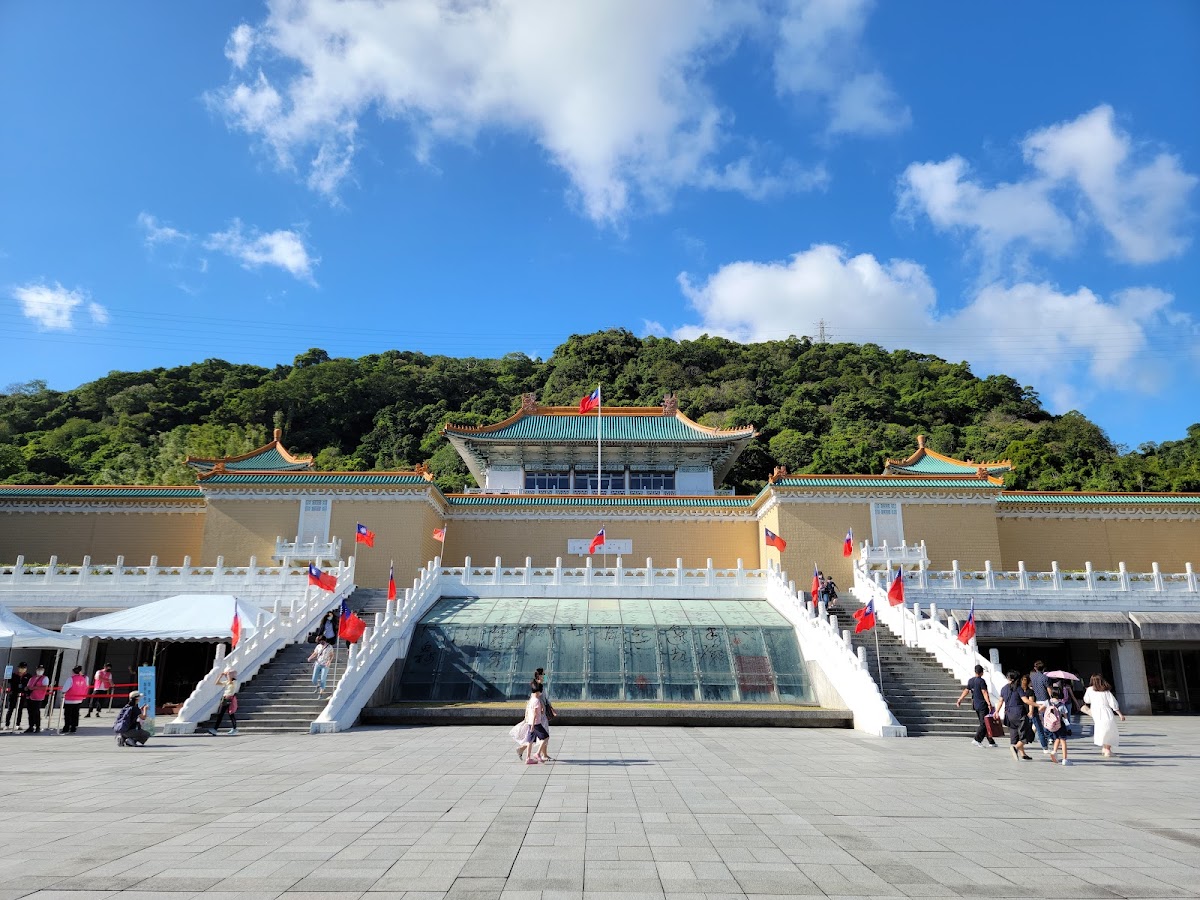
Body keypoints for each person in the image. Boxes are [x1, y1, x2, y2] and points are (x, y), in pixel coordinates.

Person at [956, 664, 997, 748]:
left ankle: (991, 741)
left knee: (985, 723)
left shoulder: (971, 681)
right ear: (981, 672)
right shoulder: (981, 681)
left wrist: (960, 699)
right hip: (982, 705)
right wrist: (989, 703)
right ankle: (977, 739)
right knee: (984, 723)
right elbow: (984, 692)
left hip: (976, 705)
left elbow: (966, 690)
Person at [1084, 674, 1125, 757]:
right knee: (1109, 729)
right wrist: (1120, 714)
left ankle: (1104, 747)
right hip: (1105, 711)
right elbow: (1113, 703)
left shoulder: (1089, 690)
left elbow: (1086, 700)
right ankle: (1107, 749)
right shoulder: (1105, 691)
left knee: (1101, 729)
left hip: (1095, 711)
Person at [999, 670, 1035, 761]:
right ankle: (1015, 748)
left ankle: (1022, 754)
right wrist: (1038, 705)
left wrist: (996, 712)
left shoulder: (1004, 688)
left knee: (1015, 735)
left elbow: (1000, 701)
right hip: (1019, 714)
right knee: (1027, 733)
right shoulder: (1018, 688)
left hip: (1008, 714)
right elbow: (1025, 701)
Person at [530, 668, 555, 761]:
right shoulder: (537, 686)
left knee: (543, 734)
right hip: (540, 714)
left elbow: (545, 699)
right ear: (539, 676)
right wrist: (541, 706)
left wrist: (551, 708)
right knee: (545, 735)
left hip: (542, 713)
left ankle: (544, 754)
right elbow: (536, 699)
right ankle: (540, 754)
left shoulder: (539, 685)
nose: (544, 676)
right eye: (543, 675)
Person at [1043, 685, 1072, 766]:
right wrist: (1068, 727)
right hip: (1060, 724)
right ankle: (1065, 759)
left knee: (1057, 739)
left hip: (1052, 725)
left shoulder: (1047, 702)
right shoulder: (1061, 705)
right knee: (1063, 741)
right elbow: (1065, 717)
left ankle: (1054, 752)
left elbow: (1040, 709)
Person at [206, 668, 240, 736]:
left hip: (229, 699)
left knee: (230, 714)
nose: (227, 676)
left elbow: (230, 681)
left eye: (229, 674)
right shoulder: (227, 682)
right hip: (224, 698)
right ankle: (217, 729)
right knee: (221, 714)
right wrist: (220, 675)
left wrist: (227, 674)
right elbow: (217, 683)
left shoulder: (234, 682)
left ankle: (233, 729)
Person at [1029, 661, 1051, 754]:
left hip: (1036, 701)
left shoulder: (1032, 677)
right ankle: (1047, 738)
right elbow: (1049, 689)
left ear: (1035, 668)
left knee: (1038, 721)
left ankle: (1032, 736)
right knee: (1047, 720)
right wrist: (1051, 698)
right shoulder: (1045, 677)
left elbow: (1030, 687)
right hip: (1045, 700)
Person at [22, 663, 51, 734]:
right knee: (30, 712)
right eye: (39, 669)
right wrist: (27, 688)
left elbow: (45, 687)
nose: (40, 671)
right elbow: (28, 685)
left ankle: (38, 726)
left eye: (41, 670)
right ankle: (31, 726)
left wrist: (35, 688)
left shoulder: (45, 678)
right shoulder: (32, 678)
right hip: (30, 697)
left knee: (36, 712)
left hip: (38, 697)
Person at [60, 666, 90, 734]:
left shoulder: (71, 679)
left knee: (68, 714)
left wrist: (63, 692)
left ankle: (67, 727)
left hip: (69, 699)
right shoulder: (84, 678)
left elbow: (65, 689)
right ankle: (74, 727)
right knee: (75, 713)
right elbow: (86, 686)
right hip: (79, 698)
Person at [4, 662, 28, 729]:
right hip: (13, 694)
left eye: (24, 668)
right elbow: (6, 682)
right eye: (21, 668)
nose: (22, 669)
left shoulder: (28, 676)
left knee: (20, 710)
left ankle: (18, 724)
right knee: (10, 709)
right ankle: (7, 724)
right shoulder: (13, 675)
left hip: (22, 695)